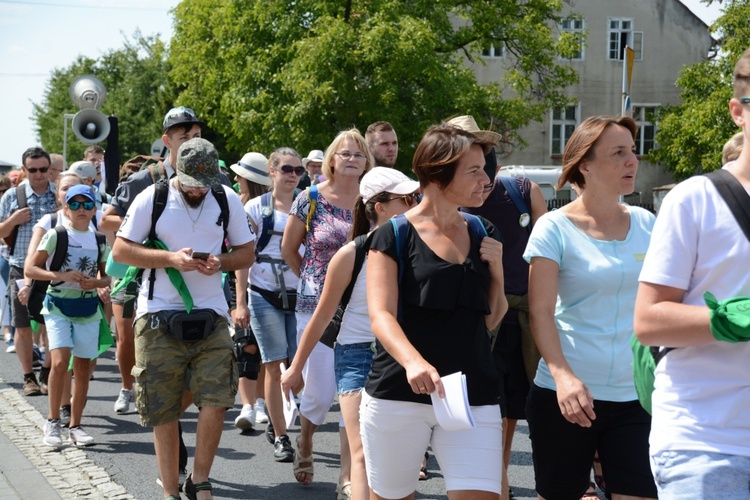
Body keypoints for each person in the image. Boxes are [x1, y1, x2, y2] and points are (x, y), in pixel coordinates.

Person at [363, 124, 506, 499]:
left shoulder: (482, 230)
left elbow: (491, 316)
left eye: (484, 168)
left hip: (471, 392)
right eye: (473, 170)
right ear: (438, 174)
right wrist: (413, 362)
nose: (485, 179)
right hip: (399, 393)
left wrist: (498, 273)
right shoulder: (392, 235)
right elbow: (381, 316)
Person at [634, 48, 750, 499]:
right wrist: (728, 319)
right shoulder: (696, 199)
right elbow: (648, 322)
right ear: (738, 112)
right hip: (706, 442)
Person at [113, 137, 255, 499]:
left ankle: (200, 478)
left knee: (217, 397)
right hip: (157, 315)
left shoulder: (225, 198)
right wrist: (170, 259)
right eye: (192, 185)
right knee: (161, 406)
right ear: (178, 171)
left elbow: (246, 252)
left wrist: (220, 263)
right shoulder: (153, 198)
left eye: (205, 186)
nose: (198, 192)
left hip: (212, 314)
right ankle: (171, 490)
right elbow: (121, 249)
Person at [524, 115, 657, 500]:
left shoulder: (649, 223)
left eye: (632, 152)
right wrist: (564, 378)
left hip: (638, 398)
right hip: (567, 398)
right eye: (618, 153)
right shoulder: (553, 227)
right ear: (585, 164)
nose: (632, 161)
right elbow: (540, 313)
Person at [283, 166, 420, 500]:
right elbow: (321, 316)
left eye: (415, 196)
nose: (415, 203)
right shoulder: (351, 254)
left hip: (403, 357)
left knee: (400, 456)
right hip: (357, 355)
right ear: (379, 207)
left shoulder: (419, 249)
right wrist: (296, 367)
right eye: (406, 198)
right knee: (362, 451)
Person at [455, 114, 547, 500]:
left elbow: (548, 251)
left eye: (480, 145)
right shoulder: (451, 197)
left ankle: (501, 473)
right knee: (481, 398)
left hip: (525, 311)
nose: (479, 157)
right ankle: (486, 475)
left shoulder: (522, 189)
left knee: (521, 401)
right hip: (477, 312)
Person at [281, 129, 374, 489]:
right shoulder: (310, 197)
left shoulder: (371, 200)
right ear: (331, 160)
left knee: (353, 390)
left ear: (367, 162)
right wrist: (312, 281)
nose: (352, 159)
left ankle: (347, 476)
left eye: (358, 155)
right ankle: (305, 438)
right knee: (319, 393)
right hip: (314, 307)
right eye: (345, 154)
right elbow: (290, 249)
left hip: (358, 307)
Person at [26, 184, 110, 448]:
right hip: (58, 306)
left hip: (87, 309)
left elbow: (107, 276)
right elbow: (31, 268)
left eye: (87, 204)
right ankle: (52, 421)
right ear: (66, 208)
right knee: (60, 362)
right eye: (75, 204)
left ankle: (75, 424)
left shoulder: (99, 239)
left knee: (83, 368)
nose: (81, 209)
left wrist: (96, 285)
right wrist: (60, 276)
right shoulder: (56, 234)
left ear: (95, 208)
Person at [239, 148, 303, 462]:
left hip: (301, 296)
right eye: (287, 169)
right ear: (272, 171)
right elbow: (242, 258)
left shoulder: (309, 204)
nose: (293, 175)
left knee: (298, 369)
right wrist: (240, 303)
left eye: (299, 171)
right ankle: (281, 437)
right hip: (263, 293)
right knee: (274, 365)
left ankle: (280, 420)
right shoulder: (256, 207)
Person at [0, 147, 57, 396]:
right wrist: (12, 221)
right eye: (32, 170)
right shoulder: (12, 196)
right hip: (20, 267)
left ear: (50, 169)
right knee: (21, 326)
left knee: (55, 325)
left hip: (55, 270)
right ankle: (28, 377)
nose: (38, 174)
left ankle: (47, 370)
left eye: (43, 169)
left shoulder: (60, 194)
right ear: (24, 170)